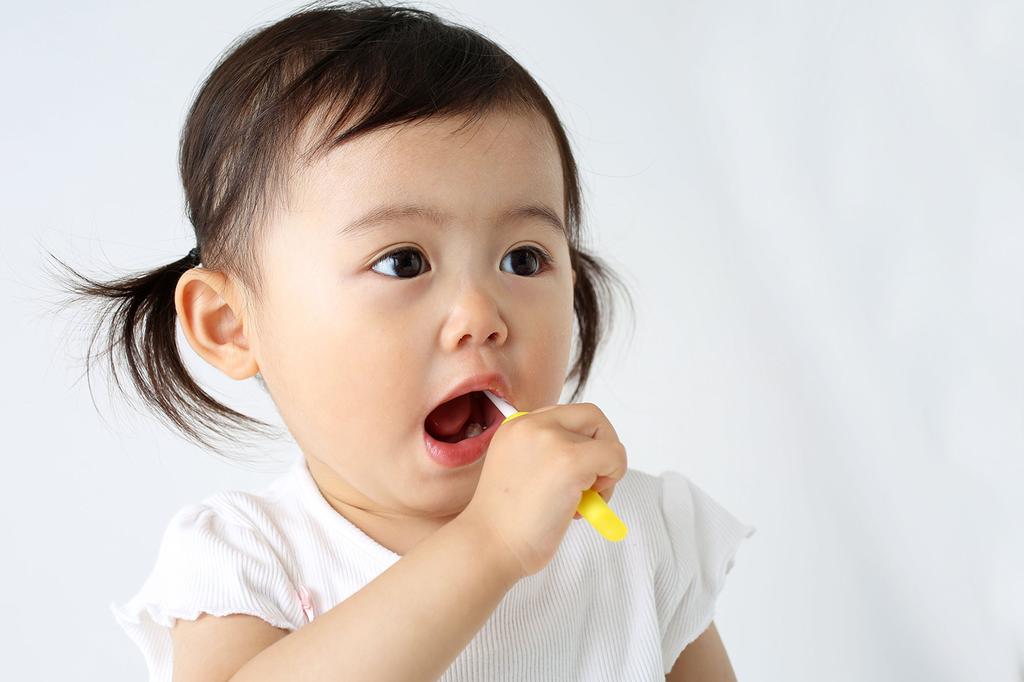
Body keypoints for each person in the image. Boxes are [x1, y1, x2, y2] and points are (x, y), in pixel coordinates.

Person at [54, 2, 755, 679]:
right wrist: (488, 546)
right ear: (231, 324)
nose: (481, 314)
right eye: (403, 262)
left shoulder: (636, 535)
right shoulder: (246, 562)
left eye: (523, 258)